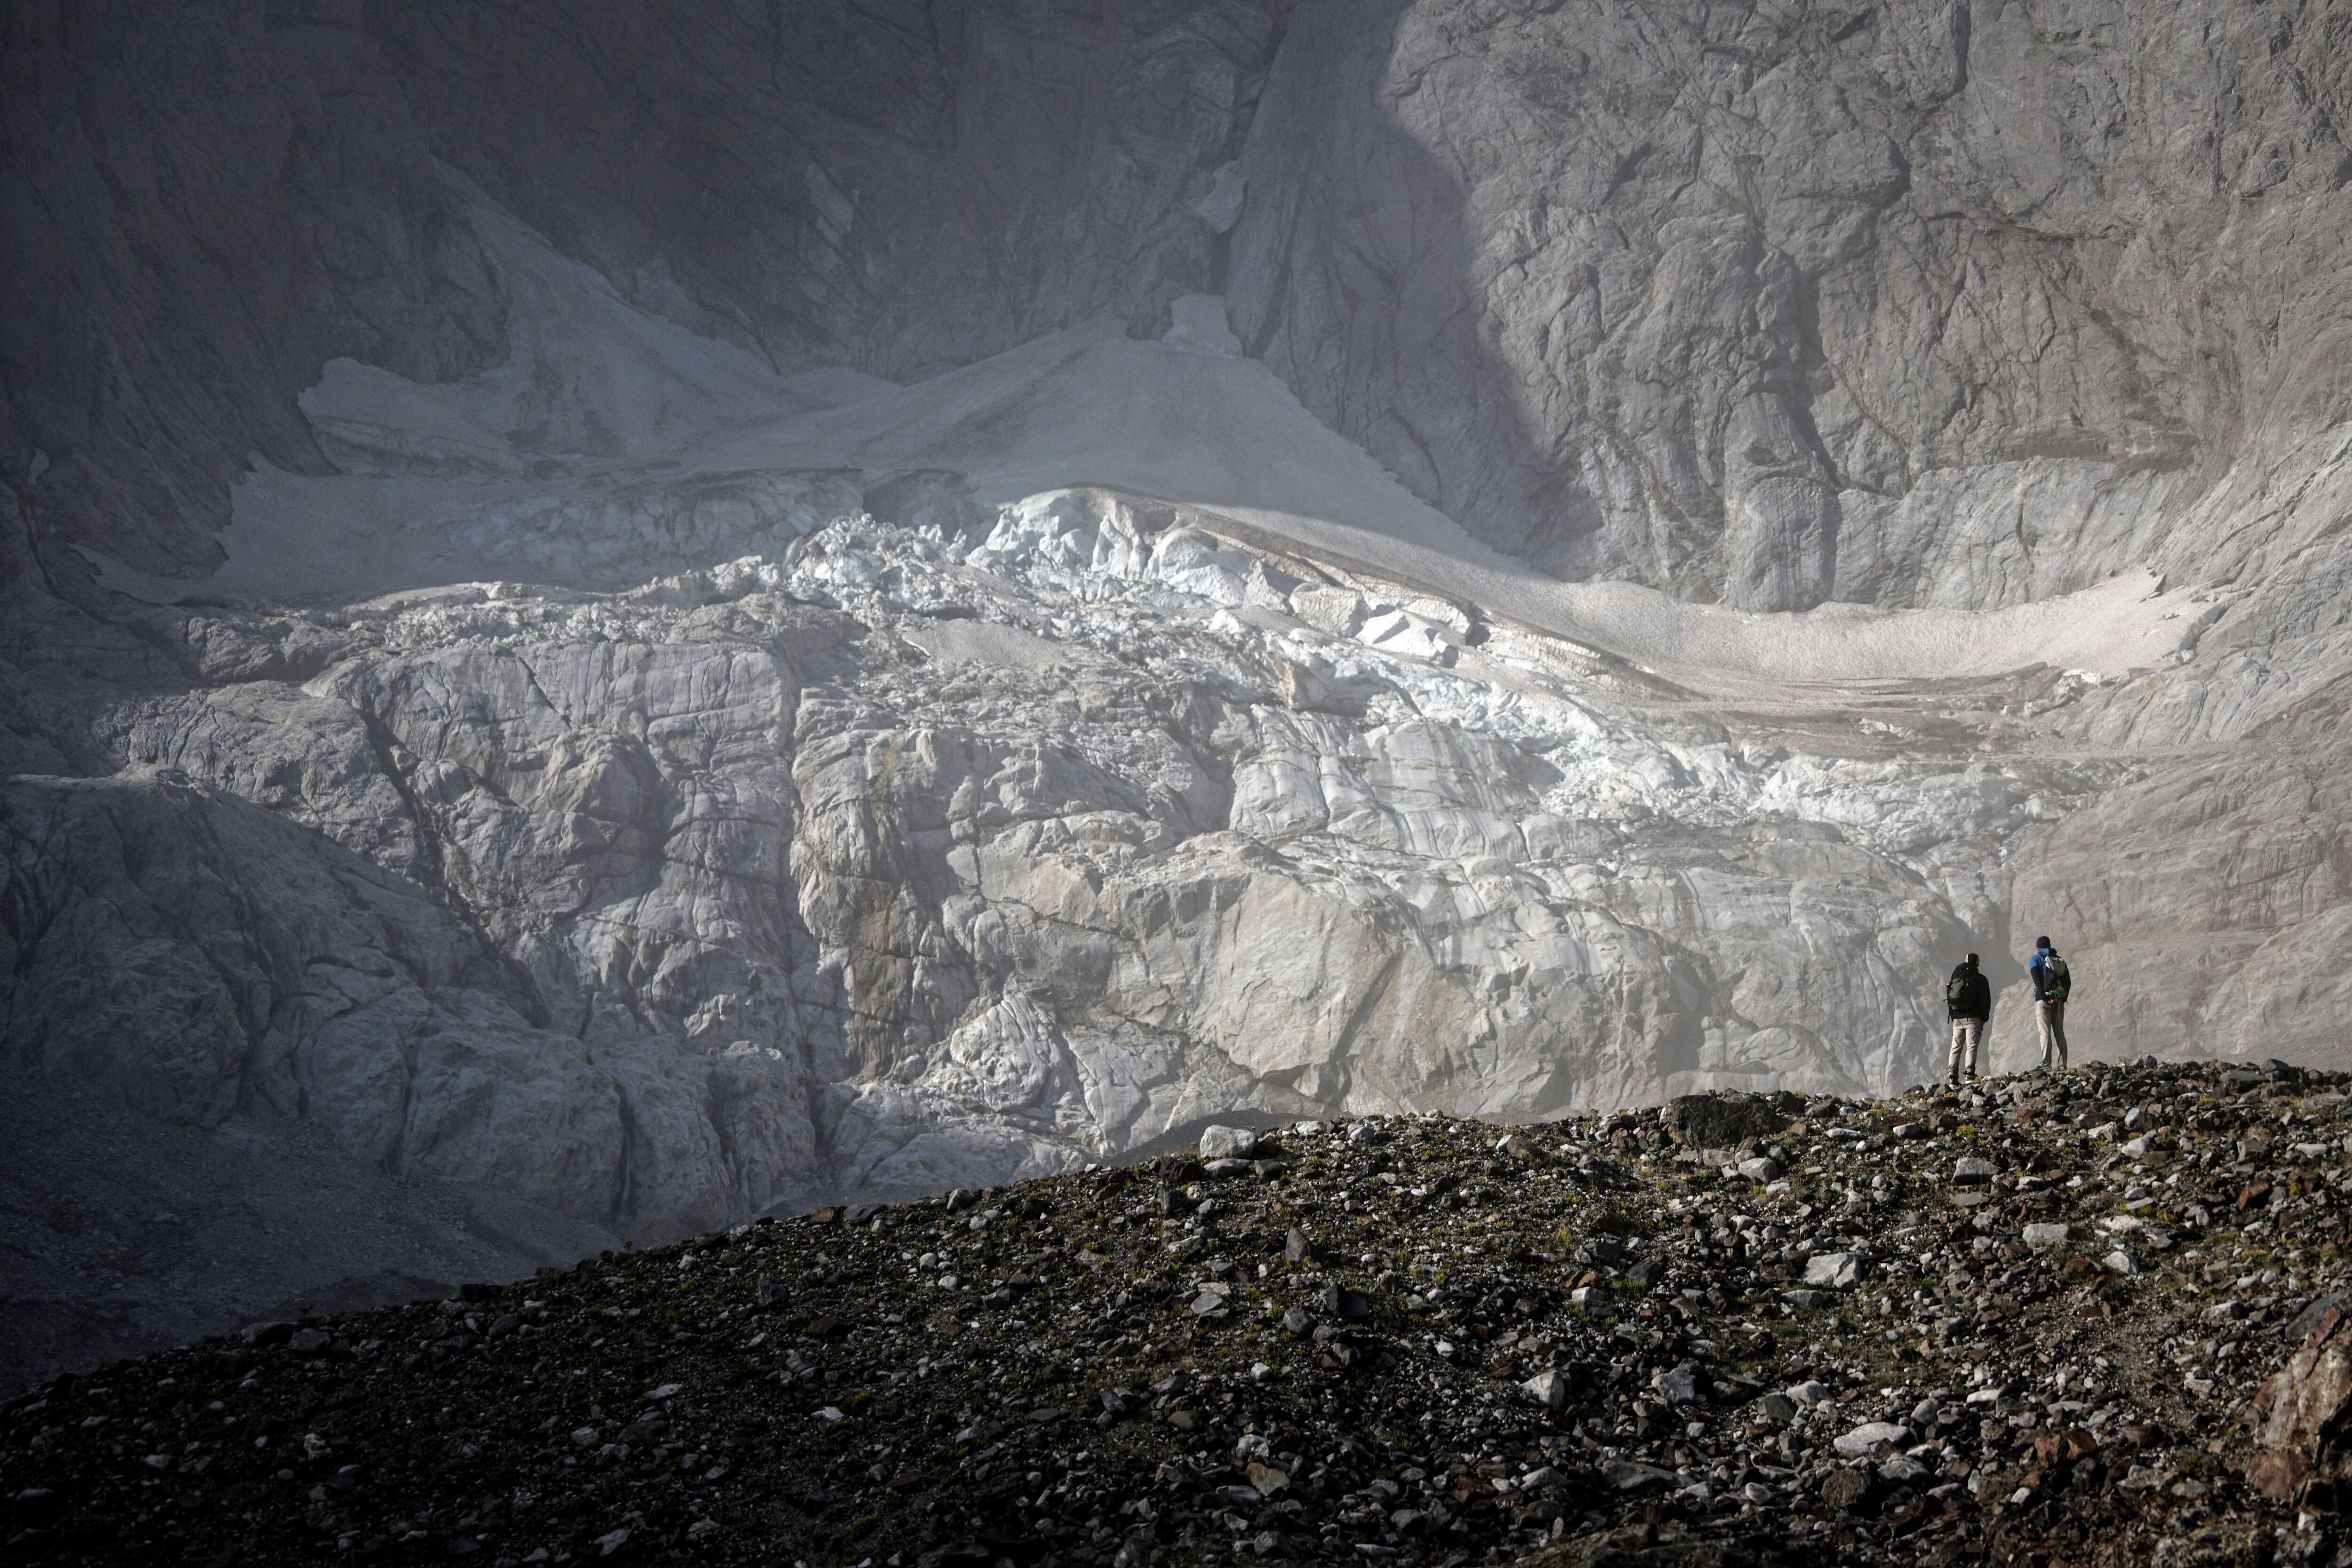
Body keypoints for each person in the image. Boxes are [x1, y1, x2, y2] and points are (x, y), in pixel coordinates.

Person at [1945, 952, 1991, 1085]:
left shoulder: (1956, 975)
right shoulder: (1981, 979)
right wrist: (1984, 1018)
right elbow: (1986, 1000)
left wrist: (1954, 1016)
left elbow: (1950, 995)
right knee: (1971, 1046)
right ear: (1977, 963)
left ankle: (1953, 1076)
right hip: (1973, 1018)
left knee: (1956, 1047)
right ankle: (1969, 1074)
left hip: (1957, 1017)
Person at [2029, 935, 2072, 1072]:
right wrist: (2062, 999)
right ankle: (2062, 1065)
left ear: (2038, 948)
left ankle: (2046, 1064)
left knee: (2045, 1032)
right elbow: (2068, 982)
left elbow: (2036, 979)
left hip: (2044, 1002)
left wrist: (2044, 997)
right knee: (2060, 1033)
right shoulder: (2059, 960)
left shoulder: (2035, 959)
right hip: (2059, 1002)